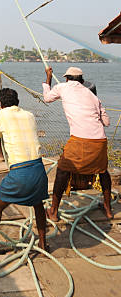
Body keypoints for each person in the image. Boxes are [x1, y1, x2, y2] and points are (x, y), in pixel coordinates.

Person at [0, 88, 48, 255]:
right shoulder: (30, 115)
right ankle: (43, 243)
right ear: (18, 103)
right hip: (39, 170)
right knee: (38, 204)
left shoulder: (0, 114)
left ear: (0, 104)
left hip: (20, 172)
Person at [43, 66, 112, 221]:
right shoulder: (93, 96)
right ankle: (108, 208)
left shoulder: (62, 87)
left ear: (67, 78)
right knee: (103, 171)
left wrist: (48, 77)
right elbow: (106, 122)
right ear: (81, 80)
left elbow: (46, 98)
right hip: (99, 141)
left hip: (80, 139)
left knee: (62, 171)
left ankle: (53, 211)